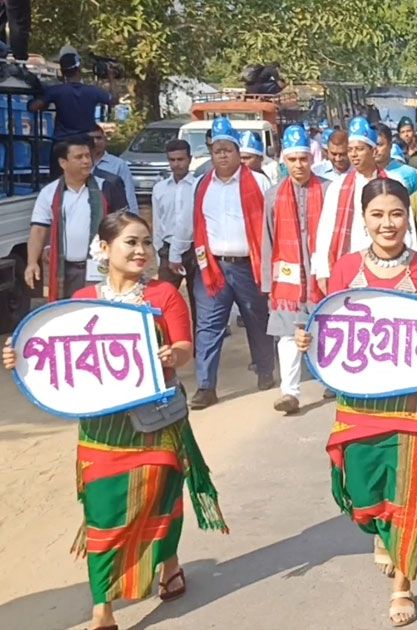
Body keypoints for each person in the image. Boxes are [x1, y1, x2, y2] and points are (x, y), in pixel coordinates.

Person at [4, 212, 228, 630]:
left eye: (146, 242)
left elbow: (184, 347)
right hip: (103, 428)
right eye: (131, 242)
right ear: (104, 249)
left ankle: (169, 562)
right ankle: (102, 608)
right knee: (104, 513)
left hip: (158, 420)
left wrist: (171, 357)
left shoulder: (164, 295)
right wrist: (19, 357)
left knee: (160, 501)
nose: (142, 251)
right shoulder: (82, 300)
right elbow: (49, 352)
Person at [295, 179, 417, 627]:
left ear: (409, 217)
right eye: (377, 215)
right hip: (361, 403)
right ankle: (381, 531)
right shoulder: (346, 268)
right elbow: (329, 324)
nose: (387, 224)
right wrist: (309, 339)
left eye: (396, 214)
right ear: (363, 219)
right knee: (365, 490)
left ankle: (403, 584)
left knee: (411, 494)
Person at [183, 117, 275, 409]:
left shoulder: (258, 181)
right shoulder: (202, 184)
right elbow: (194, 224)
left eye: (228, 149)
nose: (222, 154)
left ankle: (264, 370)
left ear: (238, 152)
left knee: (256, 320)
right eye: (217, 149)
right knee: (208, 326)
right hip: (212, 267)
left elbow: (271, 225)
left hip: (249, 266)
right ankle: (206, 387)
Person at [260, 125, 329, 415]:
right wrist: (267, 285)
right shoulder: (274, 195)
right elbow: (268, 239)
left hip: (321, 274)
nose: (299, 165)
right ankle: (290, 392)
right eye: (293, 160)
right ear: (284, 161)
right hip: (286, 277)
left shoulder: (327, 190)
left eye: (303, 159)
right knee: (288, 332)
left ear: (311, 159)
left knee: (325, 326)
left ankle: (332, 380)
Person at [313, 117, 413, 291]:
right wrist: (322, 271)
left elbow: (407, 226)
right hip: (350, 268)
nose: (353, 155)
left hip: (390, 265)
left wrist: (410, 264)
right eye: (350, 150)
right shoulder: (338, 187)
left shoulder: (394, 182)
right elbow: (325, 232)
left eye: (359, 149)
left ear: (373, 151)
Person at [26, 135, 128, 302]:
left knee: (98, 313)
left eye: (88, 156)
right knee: (65, 314)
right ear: (63, 163)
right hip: (64, 269)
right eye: (79, 157)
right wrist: (32, 262)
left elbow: (123, 228)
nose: (86, 161)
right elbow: (38, 229)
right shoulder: (49, 192)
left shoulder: (107, 187)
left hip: (101, 267)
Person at [153, 139, 198, 319]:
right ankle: (166, 343)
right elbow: (157, 221)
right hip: (167, 247)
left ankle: (197, 346)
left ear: (189, 159)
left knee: (199, 303)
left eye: (180, 159)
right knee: (163, 301)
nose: (176, 164)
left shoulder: (198, 186)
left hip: (194, 249)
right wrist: (159, 252)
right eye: (172, 160)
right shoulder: (160, 188)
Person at [30, 51, 116, 141]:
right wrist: (111, 78)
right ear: (78, 69)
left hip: (62, 142)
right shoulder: (93, 91)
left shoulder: (55, 91)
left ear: (62, 71)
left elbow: (33, 107)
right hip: (85, 141)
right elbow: (114, 100)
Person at [88, 125, 139, 213]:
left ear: (105, 140)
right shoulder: (79, 164)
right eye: (91, 139)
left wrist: (133, 221)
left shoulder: (118, 164)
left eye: (98, 138)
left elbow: (129, 196)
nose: (95, 142)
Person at [376, 123, 417, 195]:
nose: (375, 149)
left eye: (379, 145)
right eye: (371, 145)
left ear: (390, 145)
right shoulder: (360, 174)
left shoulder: (409, 174)